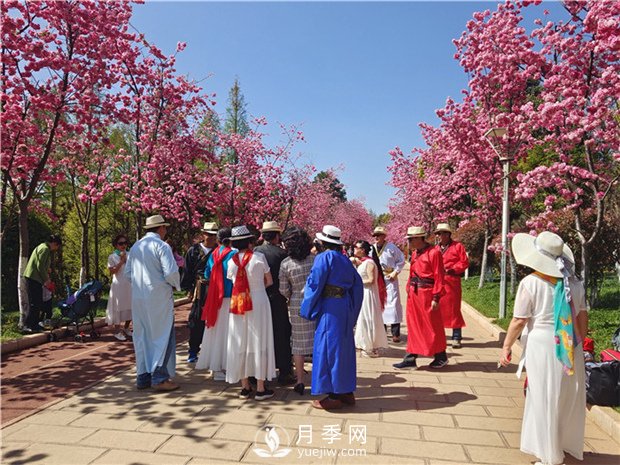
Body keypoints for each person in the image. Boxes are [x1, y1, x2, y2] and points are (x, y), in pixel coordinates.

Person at [499, 231, 587, 465]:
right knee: (566, 396)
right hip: (569, 345)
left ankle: (550, 455)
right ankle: (561, 444)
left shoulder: (530, 283)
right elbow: (582, 318)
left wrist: (506, 346)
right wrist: (579, 347)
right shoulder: (575, 284)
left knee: (543, 396)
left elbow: (519, 320)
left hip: (542, 344)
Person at [301, 225, 363, 410]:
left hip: (329, 307)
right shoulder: (345, 260)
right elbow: (357, 286)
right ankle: (346, 391)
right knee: (343, 348)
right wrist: (352, 310)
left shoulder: (323, 258)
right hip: (343, 306)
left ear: (322, 242)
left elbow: (315, 283)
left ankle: (334, 395)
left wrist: (307, 308)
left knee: (328, 348)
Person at [124, 215, 180, 391]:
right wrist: (174, 285)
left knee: (142, 336)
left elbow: (128, 273)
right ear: (161, 228)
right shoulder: (161, 246)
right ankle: (160, 377)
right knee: (161, 336)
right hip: (158, 297)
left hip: (139, 297)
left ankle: (143, 376)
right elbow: (170, 272)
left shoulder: (135, 247)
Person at [225, 225, 276, 401]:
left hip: (238, 303)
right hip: (259, 301)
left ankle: (245, 386)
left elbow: (232, 281)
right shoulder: (259, 257)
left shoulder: (231, 262)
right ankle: (261, 388)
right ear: (249, 242)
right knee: (259, 341)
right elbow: (269, 281)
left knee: (240, 340)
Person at [393, 226, 447, 370]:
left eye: (411, 239)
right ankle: (411, 357)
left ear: (419, 238)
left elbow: (439, 275)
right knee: (414, 325)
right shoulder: (415, 253)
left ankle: (441, 356)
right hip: (415, 293)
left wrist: (436, 296)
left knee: (431, 325)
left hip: (427, 293)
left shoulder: (434, 253)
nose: (409, 242)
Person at [254, 221, 295, 385]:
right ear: (277, 236)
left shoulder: (255, 252)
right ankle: (284, 371)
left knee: (259, 335)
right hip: (277, 298)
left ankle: (257, 371)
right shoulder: (282, 254)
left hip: (258, 298)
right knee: (281, 333)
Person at [278, 226, 316, 395]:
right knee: (318, 342)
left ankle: (300, 380)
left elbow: (283, 289)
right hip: (316, 303)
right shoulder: (315, 260)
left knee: (298, 345)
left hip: (297, 305)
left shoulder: (286, 264)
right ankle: (319, 378)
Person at [196, 227, 236, 380]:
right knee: (228, 333)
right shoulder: (233, 254)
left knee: (215, 331)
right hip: (229, 296)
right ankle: (225, 365)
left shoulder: (214, 254)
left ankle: (215, 367)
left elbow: (207, 274)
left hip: (215, 298)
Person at [181, 222, 218, 363]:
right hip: (199, 288)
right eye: (209, 234)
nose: (211, 237)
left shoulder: (218, 250)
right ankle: (193, 350)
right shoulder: (194, 250)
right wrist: (189, 289)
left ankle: (212, 350)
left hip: (215, 288)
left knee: (215, 319)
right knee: (196, 319)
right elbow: (187, 270)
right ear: (203, 234)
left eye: (214, 235)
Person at [434, 223, 469, 348]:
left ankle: (456, 336)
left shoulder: (457, 246)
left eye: (443, 233)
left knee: (454, 310)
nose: (440, 236)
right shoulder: (435, 248)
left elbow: (464, 262)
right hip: (438, 282)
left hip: (452, 282)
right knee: (438, 309)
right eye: (438, 233)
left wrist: (453, 269)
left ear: (448, 234)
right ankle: (440, 336)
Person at [352, 240, 388, 358]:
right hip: (363, 292)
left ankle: (370, 346)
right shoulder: (362, 262)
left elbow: (371, 280)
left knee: (368, 317)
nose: (354, 249)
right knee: (362, 318)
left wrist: (356, 282)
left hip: (368, 293)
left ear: (363, 250)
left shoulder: (370, 263)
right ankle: (363, 344)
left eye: (356, 247)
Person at [371, 226, 406, 343]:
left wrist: (395, 272)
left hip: (390, 278)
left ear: (384, 236)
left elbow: (401, 260)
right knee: (380, 303)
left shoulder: (391, 247)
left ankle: (395, 333)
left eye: (379, 235)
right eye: (375, 235)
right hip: (377, 278)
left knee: (394, 304)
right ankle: (383, 331)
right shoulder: (372, 248)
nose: (376, 237)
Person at [22, 235, 62, 333]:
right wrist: (46, 279)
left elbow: (41, 264)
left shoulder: (42, 246)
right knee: (35, 303)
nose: (56, 249)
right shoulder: (45, 249)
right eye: (57, 246)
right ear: (54, 244)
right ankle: (27, 325)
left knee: (37, 302)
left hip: (34, 278)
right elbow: (39, 266)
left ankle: (35, 324)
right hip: (33, 278)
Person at [106, 234, 132, 341]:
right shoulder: (112, 257)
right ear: (116, 245)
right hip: (118, 285)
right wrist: (121, 262)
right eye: (121, 243)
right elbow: (112, 271)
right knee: (118, 307)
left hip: (129, 285)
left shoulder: (130, 254)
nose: (123, 245)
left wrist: (127, 261)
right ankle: (117, 331)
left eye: (125, 243)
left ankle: (126, 328)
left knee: (130, 306)